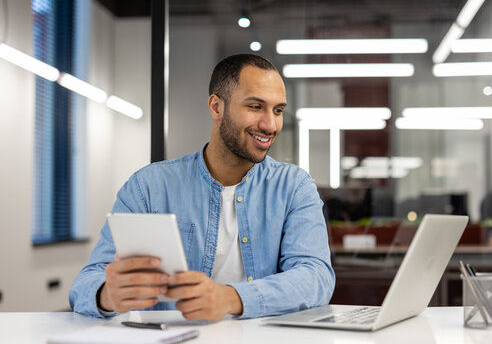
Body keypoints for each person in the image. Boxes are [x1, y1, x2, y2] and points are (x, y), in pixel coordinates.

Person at [69, 54, 335, 320]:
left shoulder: (294, 187)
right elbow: (85, 283)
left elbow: (316, 277)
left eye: (278, 110)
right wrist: (106, 294)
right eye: (255, 107)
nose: (270, 124)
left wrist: (230, 298)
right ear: (216, 107)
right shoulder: (148, 186)